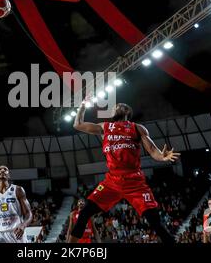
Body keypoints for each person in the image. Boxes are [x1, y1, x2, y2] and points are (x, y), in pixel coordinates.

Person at [68, 102, 180, 243]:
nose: (117, 105)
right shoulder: (105, 127)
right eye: (115, 106)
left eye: (120, 105)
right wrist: (82, 107)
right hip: (112, 182)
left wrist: (162, 157)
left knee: (154, 222)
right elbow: (77, 125)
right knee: (84, 213)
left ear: (127, 111)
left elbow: (152, 150)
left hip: (134, 182)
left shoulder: (137, 128)